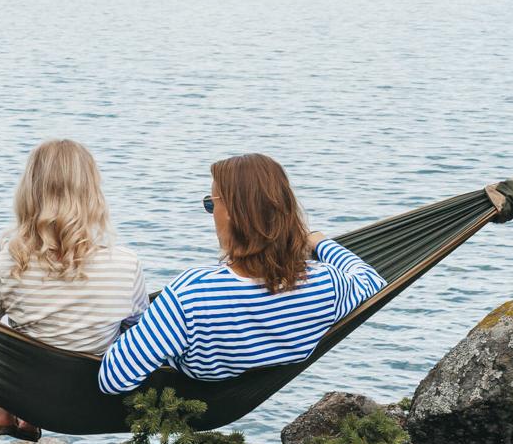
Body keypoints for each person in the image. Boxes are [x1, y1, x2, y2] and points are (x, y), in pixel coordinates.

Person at [98, 153, 384, 395]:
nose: (210, 213)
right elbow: (373, 282)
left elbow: (114, 378)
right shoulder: (326, 284)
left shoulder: (193, 294)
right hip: (249, 385)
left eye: (211, 204)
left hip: (195, 388)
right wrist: (319, 242)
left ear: (233, 212)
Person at [0, 139, 145, 440]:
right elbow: (138, 332)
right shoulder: (127, 265)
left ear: (29, 193)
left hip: (28, 389)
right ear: (92, 195)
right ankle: (16, 415)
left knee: (10, 331)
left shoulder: (10, 262)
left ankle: (5, 410)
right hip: (92, 395)